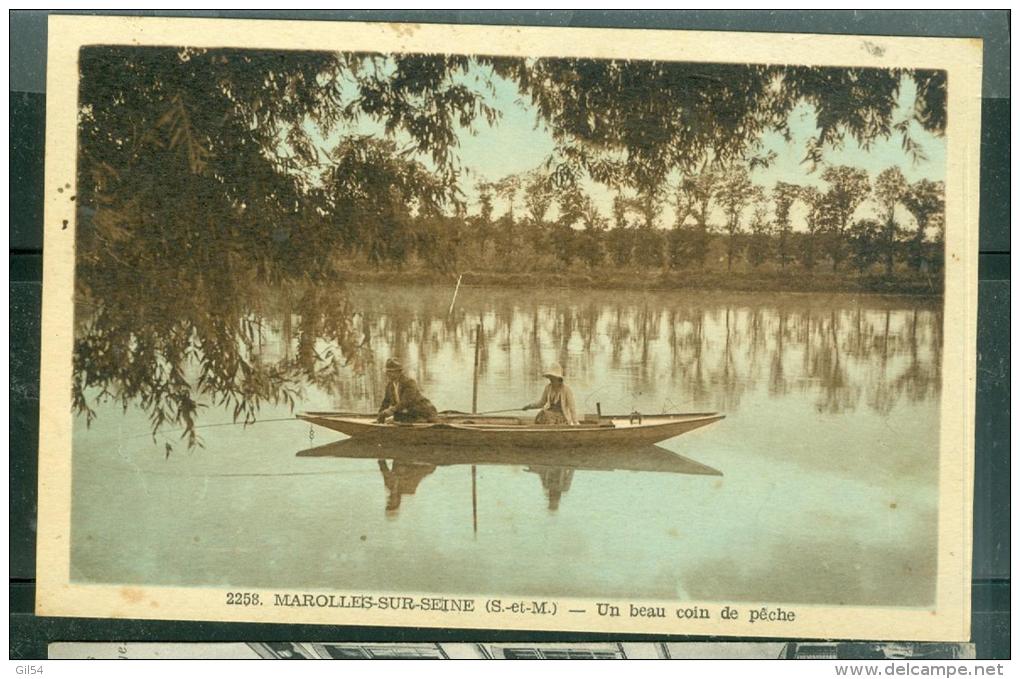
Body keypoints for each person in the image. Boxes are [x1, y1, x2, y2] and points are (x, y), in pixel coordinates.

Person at [376, 358, 439, 424]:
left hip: (423, 412)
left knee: (398, 419)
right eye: (388, 371)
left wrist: (391, 410)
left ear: (399, 372)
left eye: (392, 371)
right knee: (396, 418)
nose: (389, 374)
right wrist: (380, 415)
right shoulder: (389, 386)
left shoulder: (409, 382)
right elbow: (385, 402)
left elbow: (407, 401)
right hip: (408, 413)